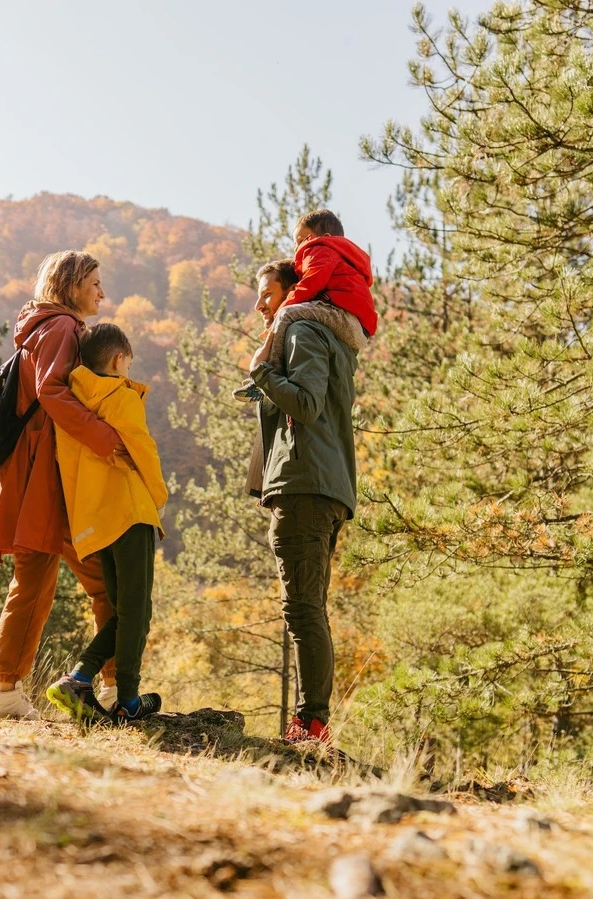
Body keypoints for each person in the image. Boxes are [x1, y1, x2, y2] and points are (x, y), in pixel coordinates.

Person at [0, 251, 123, 719]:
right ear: (72, 285)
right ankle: (113, 688)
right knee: (106, 581)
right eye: (95, 283)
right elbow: (52, 391)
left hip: (35, 474)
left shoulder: (43, 326)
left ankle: (6, 692)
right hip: (48, 477)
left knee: (37, 582)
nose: (102, 293)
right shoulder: (62, 327)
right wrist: (107, 439)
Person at [246, 257, 359, 745]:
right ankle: (311, 723)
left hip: (306, 486)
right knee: (308, 607)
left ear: (292, 293)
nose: (259, 305)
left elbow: (307, 405)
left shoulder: (302, 332)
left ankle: (311, 725)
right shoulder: (323, 335)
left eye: (267, 294)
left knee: (303, 609)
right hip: (320, 485)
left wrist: (262, 374)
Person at [46, 322, 167, 725]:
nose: (129, 370)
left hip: (97, 519)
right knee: (138, 612)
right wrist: (159, 497)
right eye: (128, 363)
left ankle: (79, 677)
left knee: (123, 610)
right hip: (132, 511)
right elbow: (144, 451)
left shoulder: (73, 402)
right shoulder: (121, 396)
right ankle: (128, 700)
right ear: (118, 361)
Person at [234, 209, 375, 401]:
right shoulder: (340, 257)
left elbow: (310, 284)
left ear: (325, 237)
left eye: (301, 240)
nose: (296, 249)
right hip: (355, 326)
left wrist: (283, 308)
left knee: (287, 313)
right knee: (289, 313)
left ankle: (266, 374)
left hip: (343, 316)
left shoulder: (321, 249)